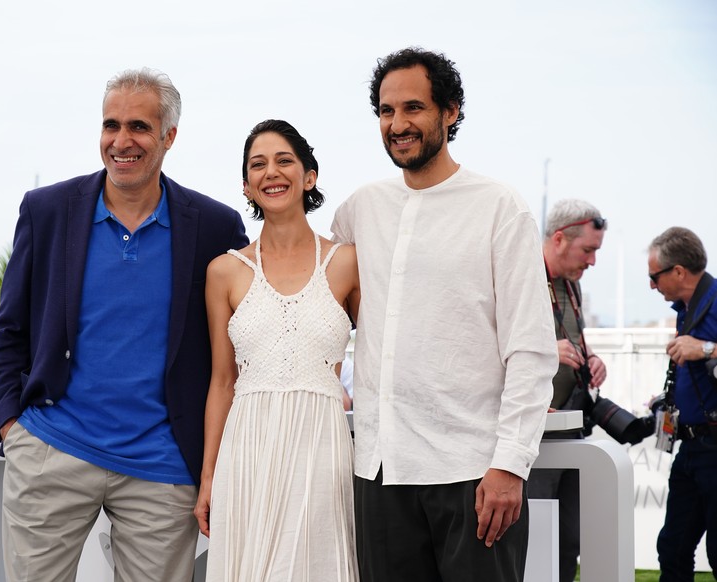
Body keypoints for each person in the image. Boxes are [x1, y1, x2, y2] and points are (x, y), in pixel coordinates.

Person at [0, 68, 248, 582]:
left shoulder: (215, 226)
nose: (121, 141)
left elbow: (238, 346)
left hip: (163, 469)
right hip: (51, 450)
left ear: (169, 136)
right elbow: (8, 328)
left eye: (139, 128)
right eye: (111, 125)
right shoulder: (48, 210)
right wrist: (10, 424)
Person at [331, 47, 557, 582]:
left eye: (413, 108)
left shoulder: (500, 207)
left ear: (450, 112)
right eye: (386, 112)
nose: (398, 124)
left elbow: (530, 348)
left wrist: (509, 464)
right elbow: (310, 284)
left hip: (473, 473)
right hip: (380, 471)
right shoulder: (360, 208)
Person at [194, 119, 360, 581]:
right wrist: (209, 478)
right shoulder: (224, 272)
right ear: (246, 186)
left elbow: (382, 359)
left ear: (309, 176)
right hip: (246, 449)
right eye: (258, 165)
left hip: (321, 446)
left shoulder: (347, 262)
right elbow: (222, 381)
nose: (272, 172)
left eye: (284, 160)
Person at [529, 198, 608, 582]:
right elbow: (483, 345)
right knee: (535, 538)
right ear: (559, 238)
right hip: (533, 434)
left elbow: (571, 338)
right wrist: (547, 351)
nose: (593, 262)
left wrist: (591, 358)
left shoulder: (570, 284)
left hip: (569, 428)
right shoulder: (521, 274)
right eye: (588, 250)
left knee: (568, 538)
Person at [648, 227, 717, 581]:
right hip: (691, 448)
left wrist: (706, 349)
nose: (650, 285)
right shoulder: (685, 309)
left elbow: (703, 353)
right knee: (672, 548)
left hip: (713, 446)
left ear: (677, 271)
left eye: (653, 276)